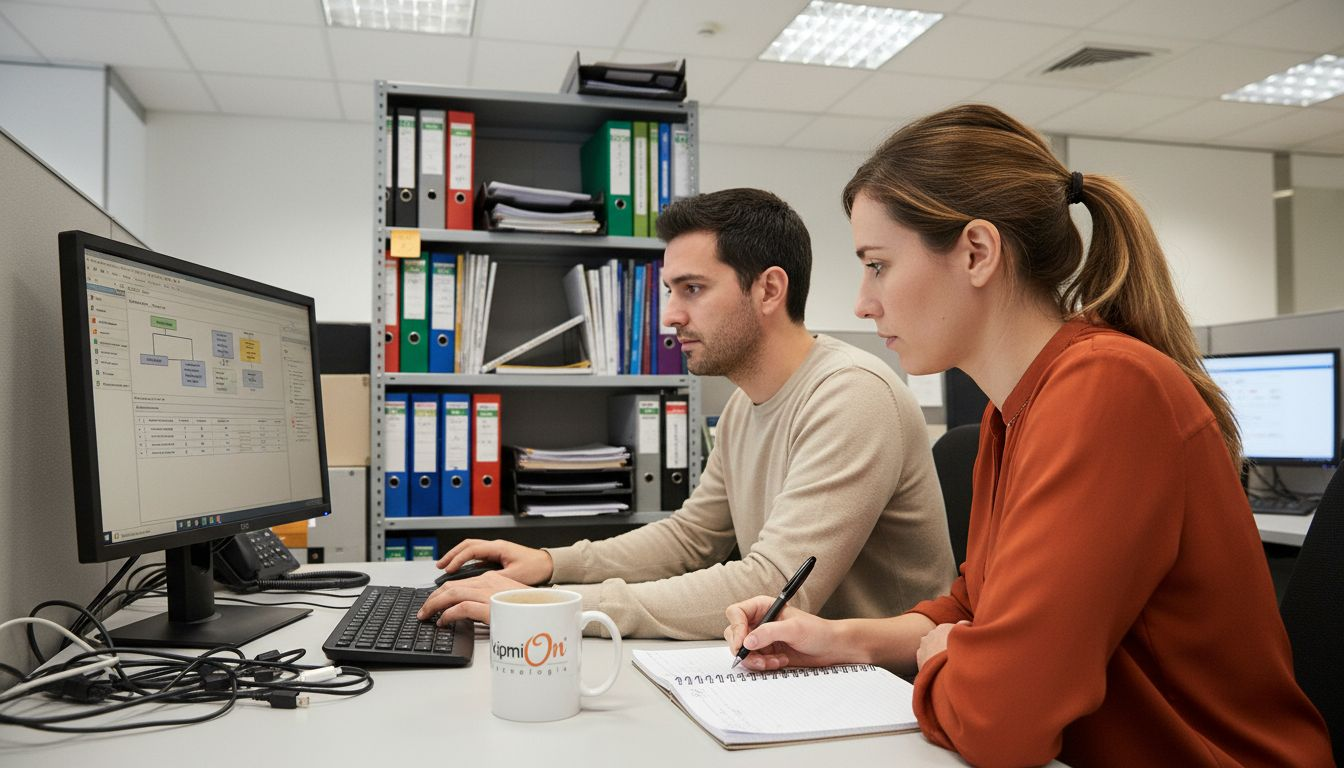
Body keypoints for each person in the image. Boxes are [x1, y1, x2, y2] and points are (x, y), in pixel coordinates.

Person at [724, 106, 1334, 767]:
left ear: (977, 253)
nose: (863, 304)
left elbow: (999, 722)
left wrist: (948, 657)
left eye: (878, 265)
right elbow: (971, 607)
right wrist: (838, 640)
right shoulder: (1012, 410)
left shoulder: (1107, 390)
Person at [417, 187, 955, 639]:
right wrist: (553, 564)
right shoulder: (747, 403)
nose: (670, 315)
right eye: (671, 291)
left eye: (693, 289)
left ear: (769, 289)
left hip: (877, 696)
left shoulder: (850, 395)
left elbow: (771, 584)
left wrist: (556, 607)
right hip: (794, 673)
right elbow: (690, 538)